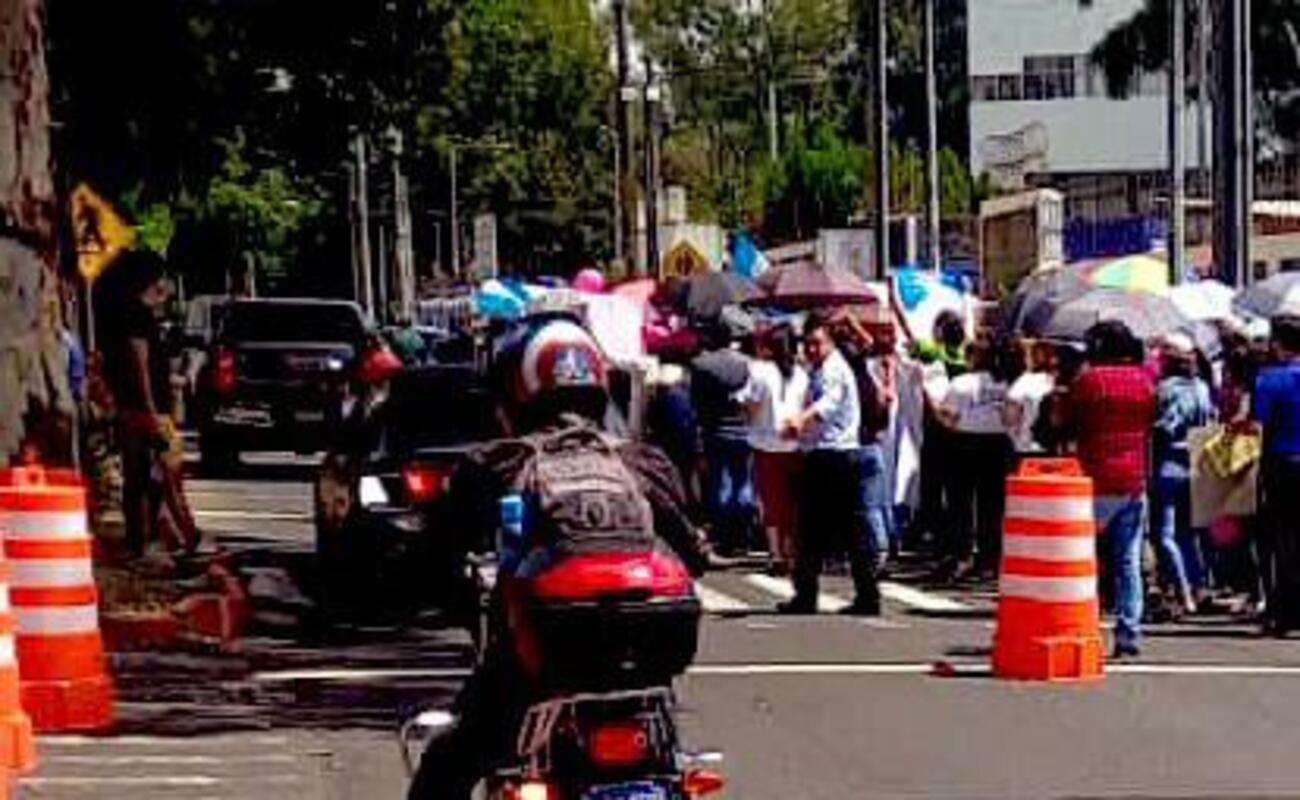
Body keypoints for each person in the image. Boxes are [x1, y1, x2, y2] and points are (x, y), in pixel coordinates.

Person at [408, 316, 710, 799]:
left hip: (540, 665)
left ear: (514, 394)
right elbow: (693, 554)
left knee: (449, 761)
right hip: (647, 662)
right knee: (671, 757)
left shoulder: (497, 463)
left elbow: (435, 553)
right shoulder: (640, 461)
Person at [777, 311, 881, 616]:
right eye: (807, 344)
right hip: (822, 456)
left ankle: (866, 596)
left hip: (838, 457)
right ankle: (807, 594)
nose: (810, 349)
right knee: (812, 531)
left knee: (846, 531)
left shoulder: (835, 370)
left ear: (830, 343)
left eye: (816, 343)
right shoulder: (818, 370)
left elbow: (827, 405)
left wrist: (801, 420)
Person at [1064, 321, 1157, 658]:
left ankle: (1081, 624)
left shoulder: (1089, 381)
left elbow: (1069, 420)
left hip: (1092, 476)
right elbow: (1152, 420)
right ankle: (1129, 631)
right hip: (1133, 478)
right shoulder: (1145, 382)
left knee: (1084, 557)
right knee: (1128, 560)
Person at [95, 250, 176, 558]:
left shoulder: (139, 315)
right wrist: (152, 408)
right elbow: (140, 363)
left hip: (140, 405)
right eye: (161, 278)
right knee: (149, 474)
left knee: (147, 474)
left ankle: (143, 536)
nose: (165, 285)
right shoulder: (136, 316)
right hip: (141, 407)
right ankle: (142, 537)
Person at [937, 335, 1015, 580]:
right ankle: (990, 557)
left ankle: (963, 554)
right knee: (992, 504)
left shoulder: (961, 383)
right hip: (998, 444)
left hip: (966, 443)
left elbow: (950, 416)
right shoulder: (1005, 385)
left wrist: (938, 414)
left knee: (961, 502)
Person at [1151, 333, 1214, 616]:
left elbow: (1164, 426)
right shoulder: (1202, 387)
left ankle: (1183, 587)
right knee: (1188, 533)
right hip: (1195, 459)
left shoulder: (1166, 389)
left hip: (1169, 462)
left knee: (1164, 533)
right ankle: (1199, 585)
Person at [834, 310, 897, 573]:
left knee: (857, 505)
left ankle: (869, 551)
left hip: (852, 445)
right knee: (876, 502)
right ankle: (884, 547)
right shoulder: (869, 381)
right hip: (872, 443)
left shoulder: (844, 385)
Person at [745, 325, 808, 575]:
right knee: (792, 501)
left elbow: (751, 405)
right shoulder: (802, 374)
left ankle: (776, 553)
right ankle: (791, 550)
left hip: (766, 443)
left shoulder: (760, 372)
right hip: (794, 444)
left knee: (771, 501)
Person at [690, 324, 757, 554]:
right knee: (744, 483)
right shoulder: (747, 364)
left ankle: (725, 535)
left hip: (716, 430)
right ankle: (743, 534)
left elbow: (696, 402)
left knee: (721, 483)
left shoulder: (701, 365)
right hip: (745, 430)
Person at [1253, 315, 1300, 636]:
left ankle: (1284, 612)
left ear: (1279, 344)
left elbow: (1258, 423)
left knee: (1282, 541)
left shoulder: (1270, 379)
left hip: (1282, 463)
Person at [1004, 339, 1056, 457]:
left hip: (1026, 447)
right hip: (1055, 449)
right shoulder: (1058, 380)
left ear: (1031, 358)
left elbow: (1009, 418)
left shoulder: (1024, 382)